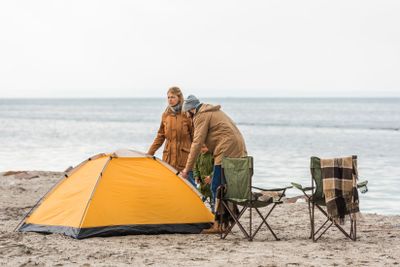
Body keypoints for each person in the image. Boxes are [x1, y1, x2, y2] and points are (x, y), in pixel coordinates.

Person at [180, 95, 247, 233]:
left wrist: (187, 169)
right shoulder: (212, 111)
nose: (187, 116)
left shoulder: (201, 115)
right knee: (225, 186)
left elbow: (197, 143)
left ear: (191, 110)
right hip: (237, 146)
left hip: (226, 149)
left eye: (186, 113)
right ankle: (229, 219)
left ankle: (219, 224)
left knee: (216, 186)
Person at [147, 87, 196, 186]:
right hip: (168, 160)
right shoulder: (166, 115)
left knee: (189, 187)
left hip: (185, 160)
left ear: (179, 97)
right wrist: (150, 152)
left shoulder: (187, 114)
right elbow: (160, 136)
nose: (170, 99)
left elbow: (195, 137)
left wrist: (199, 155)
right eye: (168, 97)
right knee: (168, 186)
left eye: (172, 97)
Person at [193, 144, 214, 211]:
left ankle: (213, 211)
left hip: (211, 184)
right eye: (201, 147)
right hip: (202, 184)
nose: (202, 149)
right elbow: (195, 168)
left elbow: (216, 169)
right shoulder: (199, 156)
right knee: (198, 199)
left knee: (212, 201)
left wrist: (210, 176)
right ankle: (198, 211)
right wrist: (196, 176)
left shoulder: (212, 156)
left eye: (204, 147)